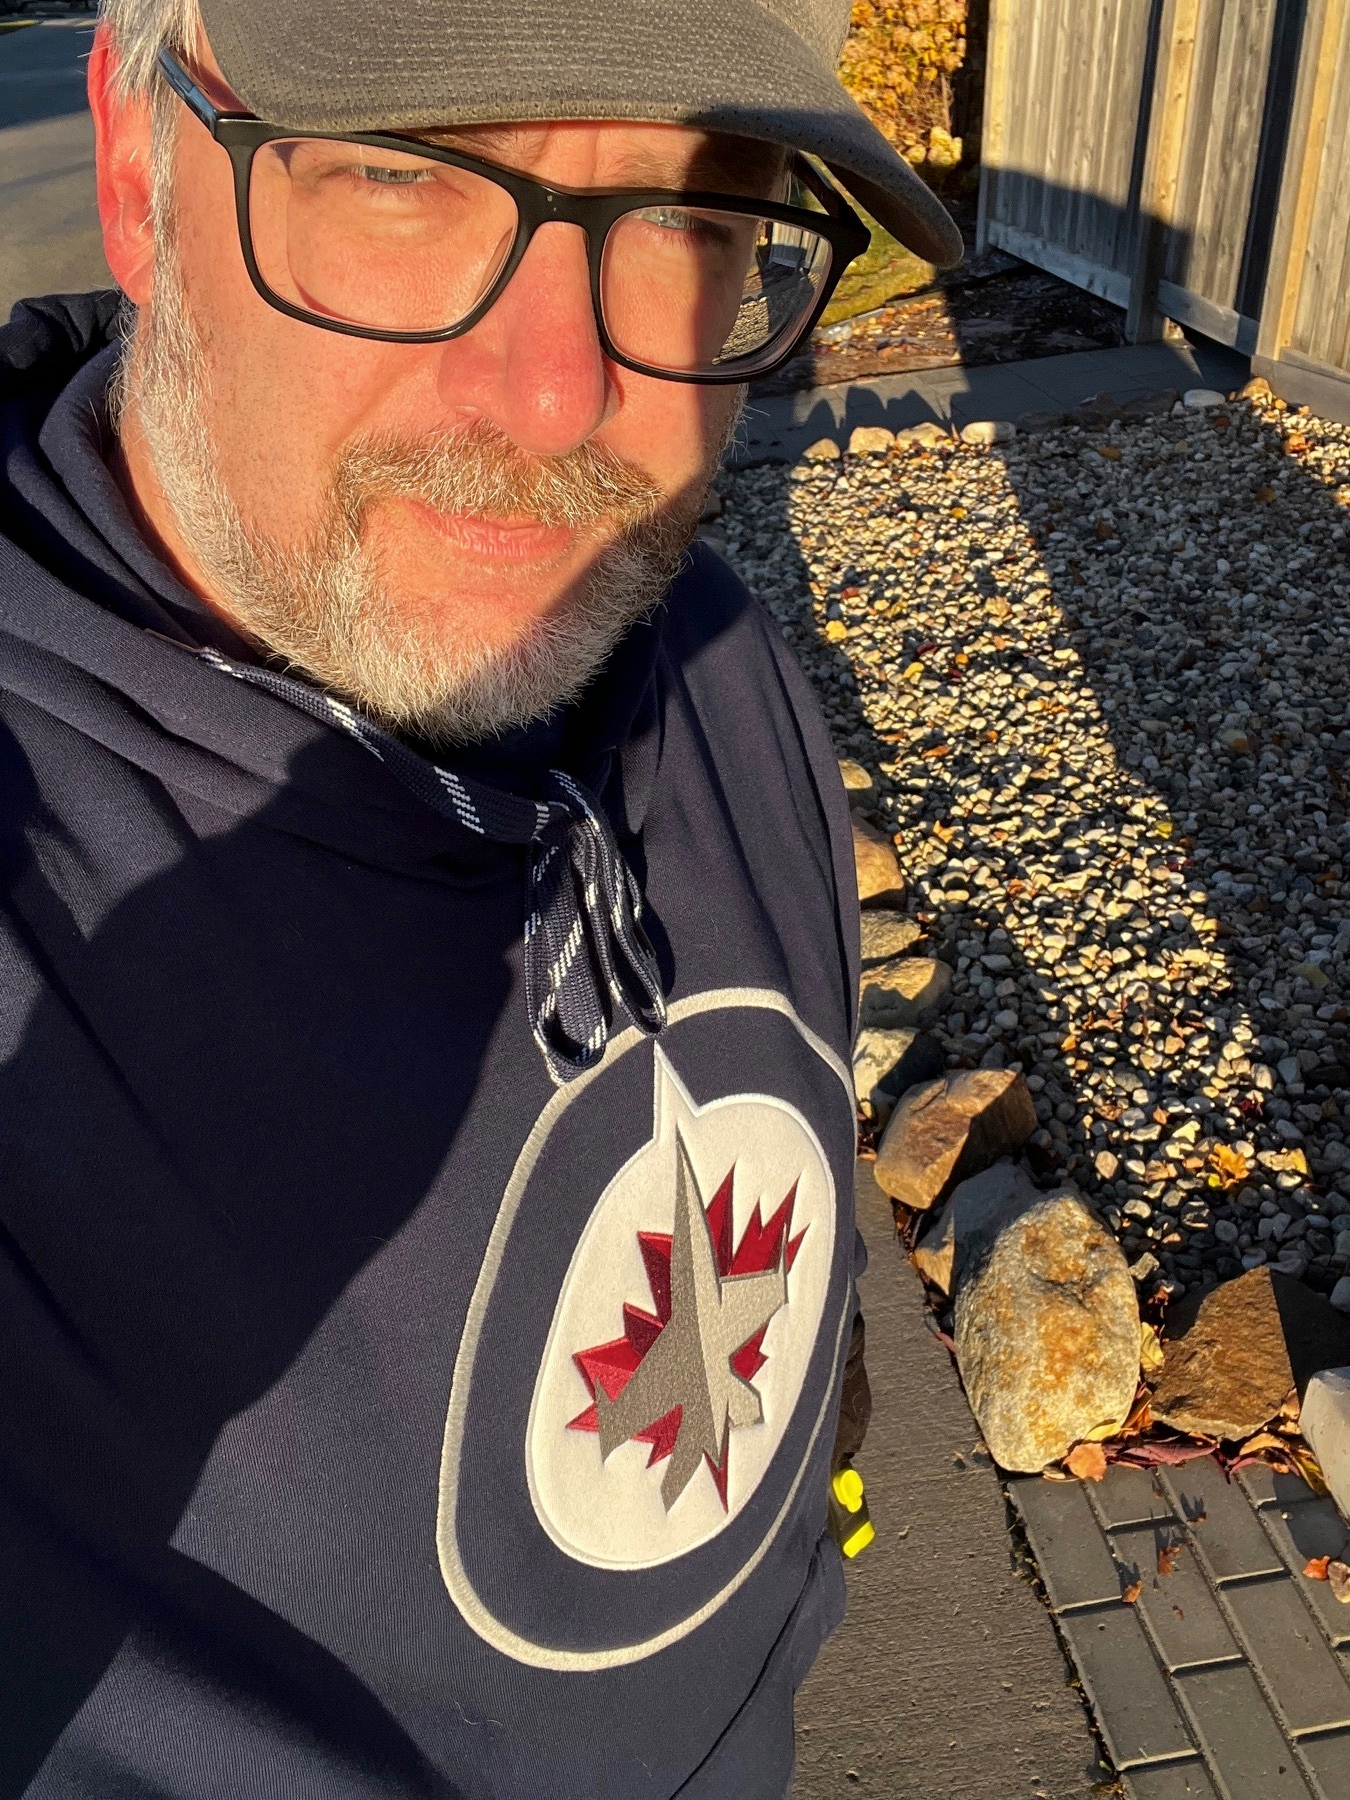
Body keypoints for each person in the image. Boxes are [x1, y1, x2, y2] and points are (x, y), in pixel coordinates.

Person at [0, 1, 960, 1792]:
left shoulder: (707, 657)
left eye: (691, 212)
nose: (555, 395)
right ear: (139, 178)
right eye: (400, 178)